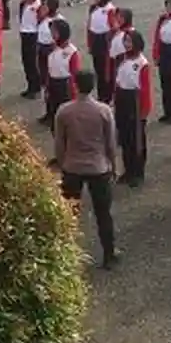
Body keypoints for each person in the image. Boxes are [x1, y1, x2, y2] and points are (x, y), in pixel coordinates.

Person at [55, 69, 119, 270]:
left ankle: (66, 255)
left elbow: (59, 142)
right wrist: (113, 165)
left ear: (75, 85)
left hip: (72, 166)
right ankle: (109, 254)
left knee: (69, 213)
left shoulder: (64, 111)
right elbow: (110, 143)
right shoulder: (103, 111)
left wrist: (61, 163)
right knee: (103, 213)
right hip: (98, 167)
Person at [113, 29, 153, 187]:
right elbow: (118, 81)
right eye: (125, 41)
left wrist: (144, 111)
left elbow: (145, 89)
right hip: (122, 99)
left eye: (129, 41)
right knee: (124, 137)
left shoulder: (142, 63)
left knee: (136, 139)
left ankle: (138, 172)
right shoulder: (123, 60)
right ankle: (128, 169)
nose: (126, 44)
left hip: (135, 101)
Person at [45, 18, 82, 140]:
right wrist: (47, 88)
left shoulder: (72, 52)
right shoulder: (52, 48)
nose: (52, 34)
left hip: (65, 87)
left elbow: (74, 75)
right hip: (53, 85)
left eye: (54, 31)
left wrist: (75, 97)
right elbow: (49, 69)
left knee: (66, 123)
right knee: (55, 123)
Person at [87, 0, 119, 103]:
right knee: (98, 71)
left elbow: (114, 28)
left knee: (106, 72)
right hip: (96, 40)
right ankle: (101, 95)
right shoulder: (93, 8)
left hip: (105, 42)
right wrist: (90, 44)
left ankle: (107, 97)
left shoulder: (110, 9)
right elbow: (90, 27)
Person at [35, 0, 62, 124]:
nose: (42, 8)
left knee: (50, 83)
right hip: (42, 50)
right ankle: (48, 111)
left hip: (51, 51)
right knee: (44, 83)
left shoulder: (58, 20)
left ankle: (54, 113)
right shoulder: (43, 19)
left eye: (45, 6)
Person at [18, 0, 42, 98]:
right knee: (26, 61)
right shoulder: (23, 3)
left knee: (33, 62)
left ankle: (36, 88)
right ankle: (30, 85)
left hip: (34, 35)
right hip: (24, 34)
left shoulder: (38, 5)